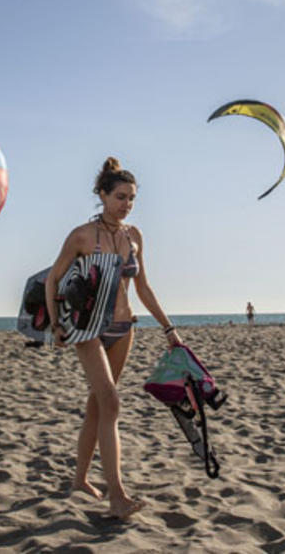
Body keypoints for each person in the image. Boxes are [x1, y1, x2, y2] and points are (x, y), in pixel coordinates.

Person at [44, 157, 181, 521]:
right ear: (102, 195)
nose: (126, 205)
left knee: (98, 405)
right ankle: (117, 495)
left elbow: (144, 286)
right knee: (112, 402)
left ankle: (79, 481)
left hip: (124, 328)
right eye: (120, 197)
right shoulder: (82, 236)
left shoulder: (134, 236)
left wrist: (170, 329)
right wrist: (57, 325)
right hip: (88, 330)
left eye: (132, 198)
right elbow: (52, 280)